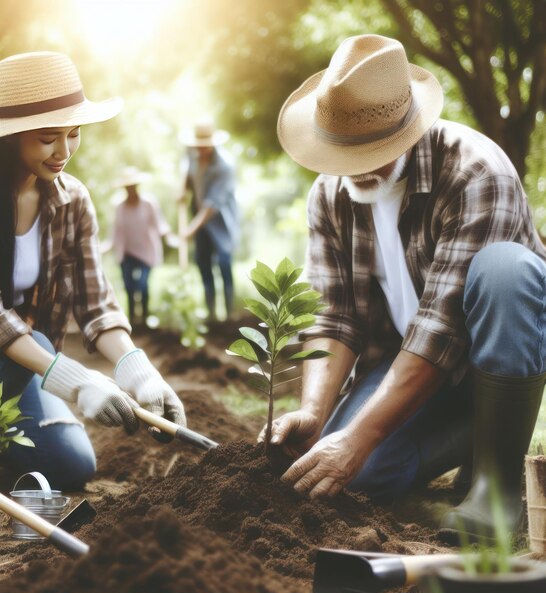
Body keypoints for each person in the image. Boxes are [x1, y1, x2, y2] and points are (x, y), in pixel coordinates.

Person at [264, 34, 546, 542]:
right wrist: (316, 412)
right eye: (345, 151)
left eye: (375, 149)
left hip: (492, 359)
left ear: (410, 129)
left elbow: (439, 329)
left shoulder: (475, 171)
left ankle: (497, 486)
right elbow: (334, 314)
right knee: (355, 472)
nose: (358, 165)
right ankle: (478, 437)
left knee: (507, 271)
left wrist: (360, 435)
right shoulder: (330, 193)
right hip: (406, 362)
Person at [0, 51, 186, 494]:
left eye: (73, 134)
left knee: (73, 464)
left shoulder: (71, 200)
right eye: (48, 138)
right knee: (36, 339)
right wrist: (77, 382)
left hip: (7, 369)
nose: (64, 152)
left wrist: (139, 372)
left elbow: (95, 304)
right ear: (9, 137)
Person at [179, 120, 239, 321]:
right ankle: (211, 314)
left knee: (224, 262)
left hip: (220, 221)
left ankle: (229, 315)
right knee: (203, 264)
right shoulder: (192, 155)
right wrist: (183, 189)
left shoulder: (224, 166)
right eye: (198, 146)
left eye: (205, 145)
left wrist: (190, 229)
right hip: (199, 219)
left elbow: (212, 206)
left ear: (213, 143)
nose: (201, 149)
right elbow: (187, 173)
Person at [112, 166, 174, 325]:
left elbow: (159, 225)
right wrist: (101, 248)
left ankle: (145, 317)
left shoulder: (148, 203)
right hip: (127, 253)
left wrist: (171, 238)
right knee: (129, 287)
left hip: (147, 253)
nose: (130, 189)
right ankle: (133, 320)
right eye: (127, 187)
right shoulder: (120, 207)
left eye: (133, 186)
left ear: (137, 186)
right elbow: (115, 232)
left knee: (143, 285)